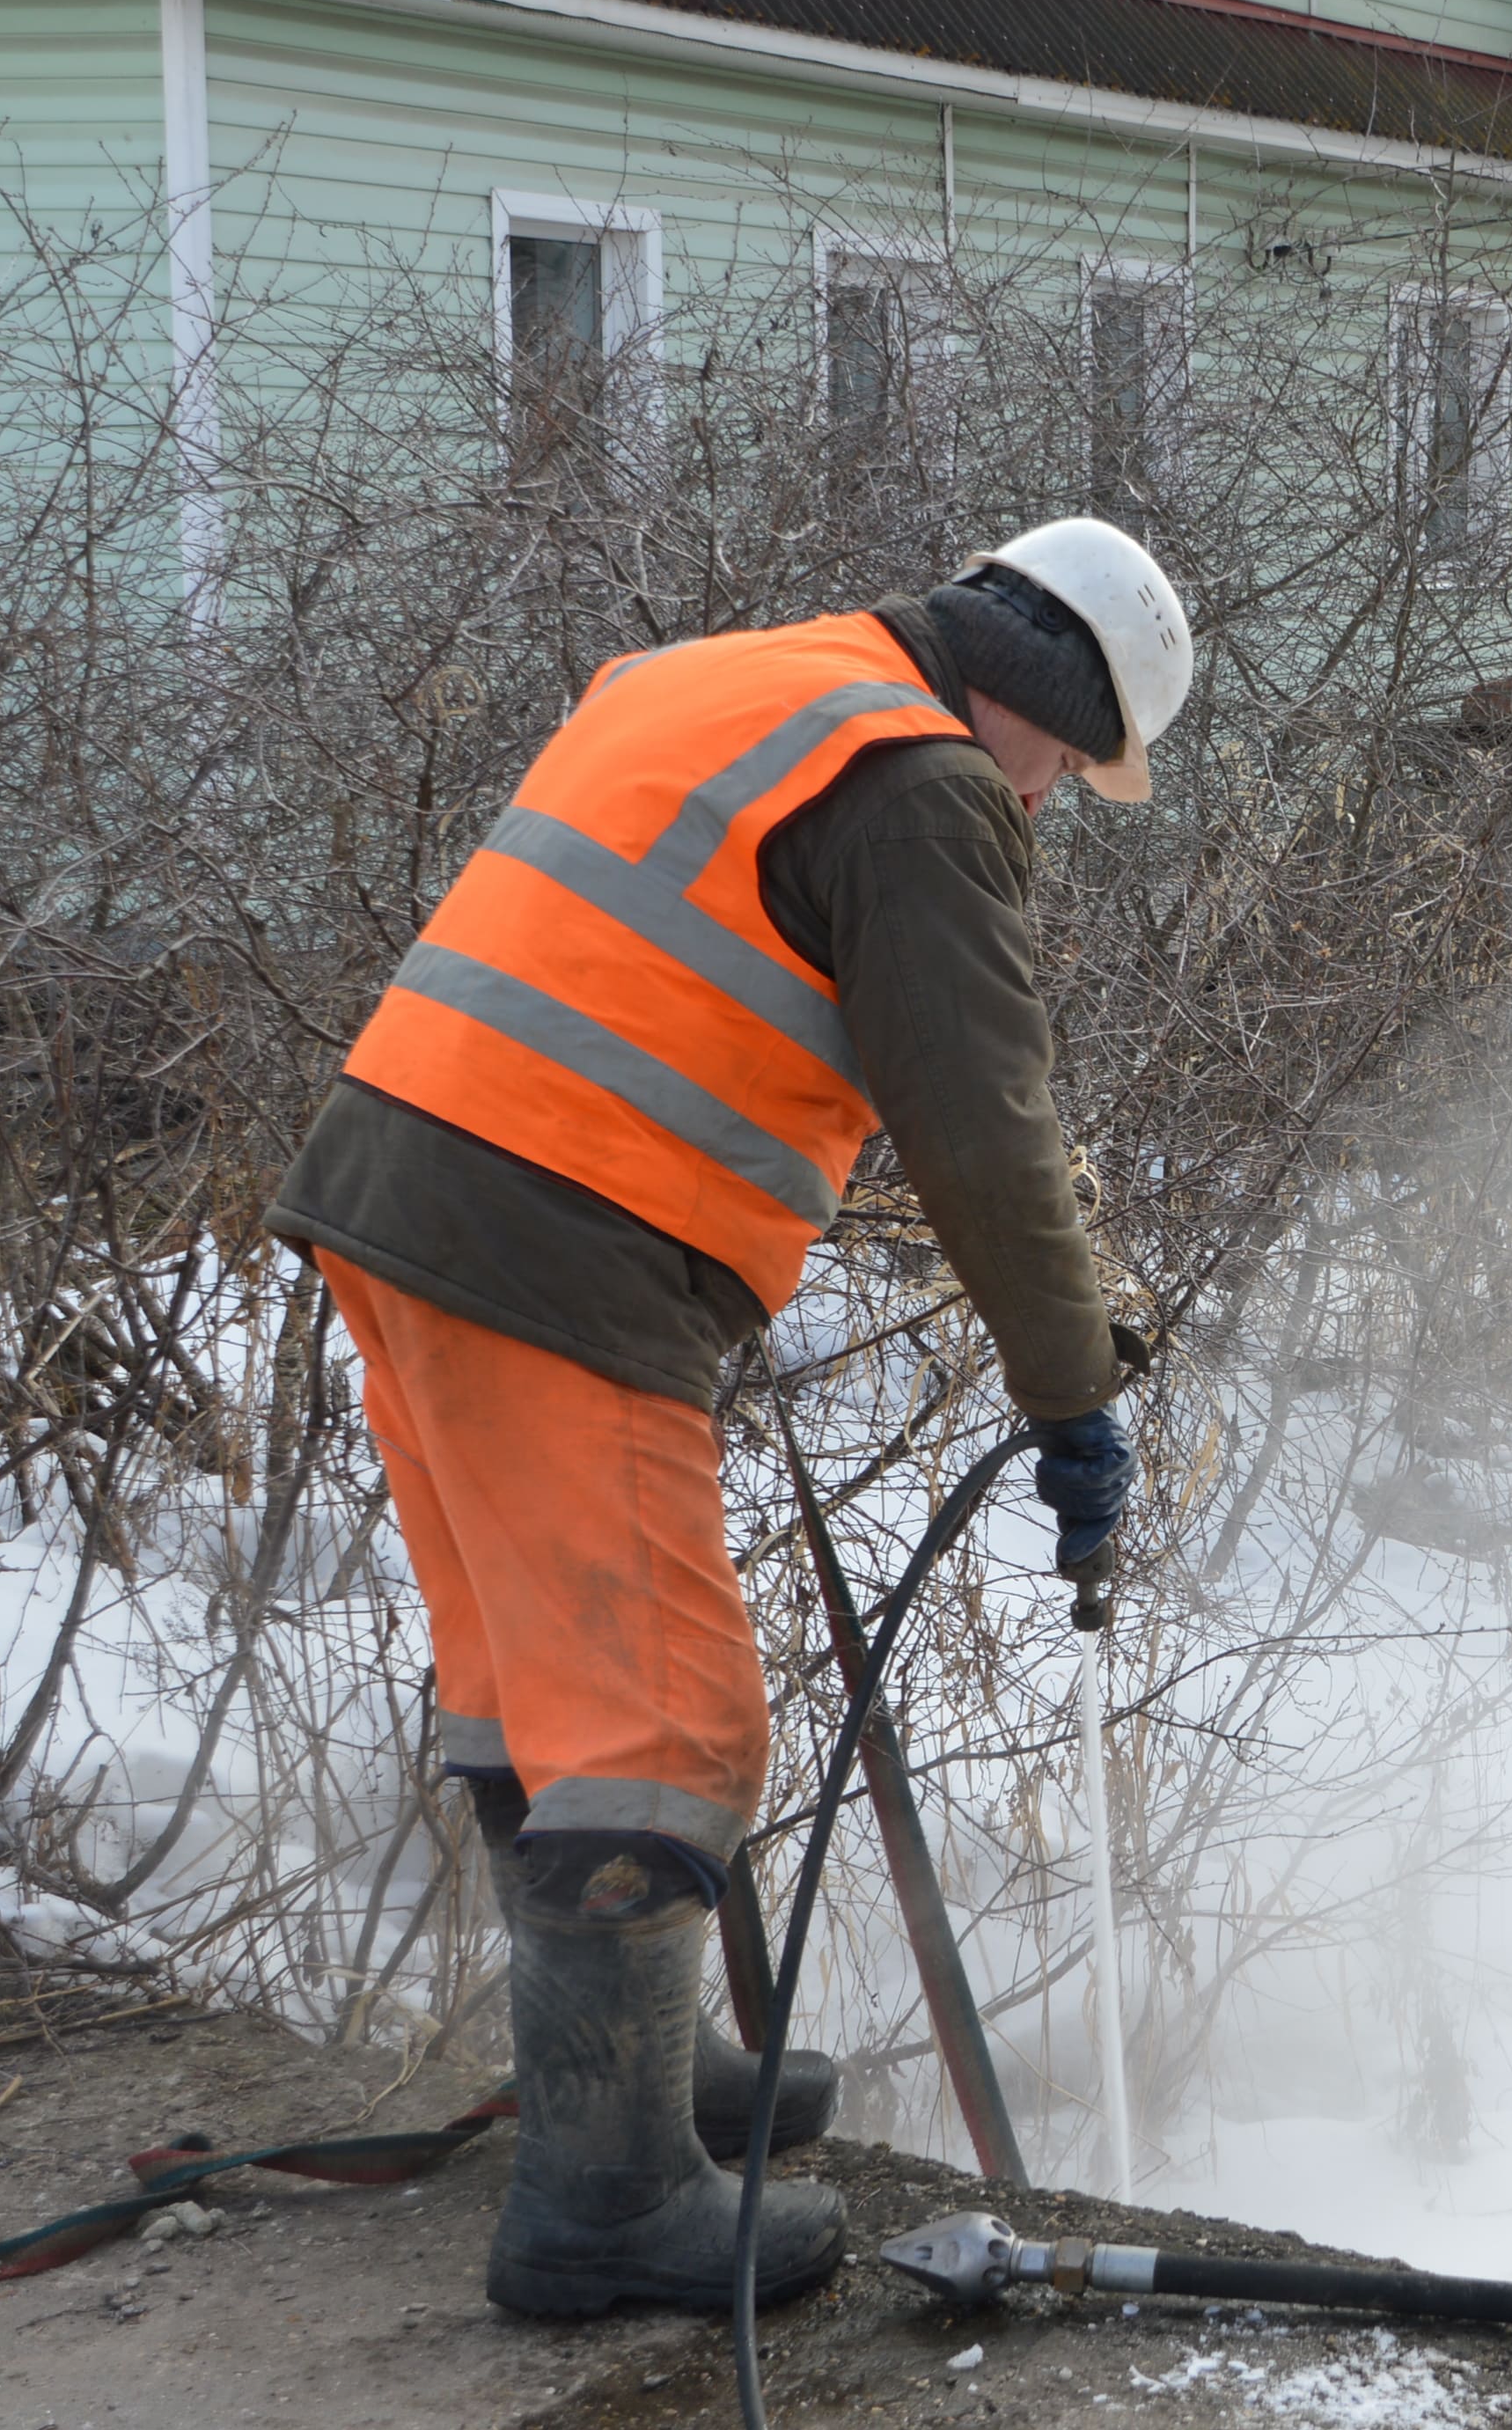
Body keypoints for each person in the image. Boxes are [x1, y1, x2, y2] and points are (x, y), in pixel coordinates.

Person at [266, 518, 1189, 2316]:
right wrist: (1074, 1394)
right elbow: (985, 1133)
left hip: (395, 1185)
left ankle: (637, 2082)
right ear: (1049, 710)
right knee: (669, 1720)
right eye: (1072, 771)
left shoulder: (738, 674)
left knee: (535, 1681)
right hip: (555, 1227)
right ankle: (604, 2208)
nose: (1056, 803)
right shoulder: (922, 787)